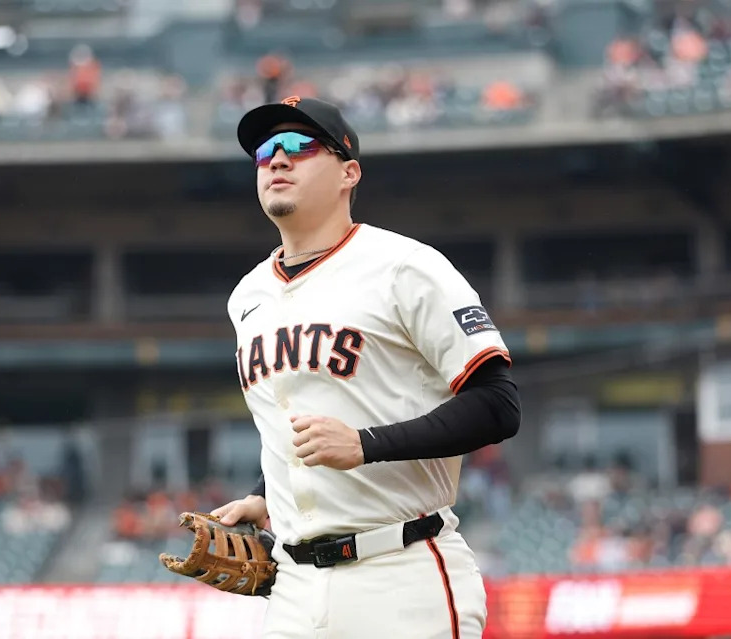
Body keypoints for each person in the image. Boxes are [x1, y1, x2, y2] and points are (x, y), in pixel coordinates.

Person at [211, 95, 521, 638]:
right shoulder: (247, 295)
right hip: (293, 587)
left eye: (298, 146)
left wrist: (366, 443)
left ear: (348, 173)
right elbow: (295, 415)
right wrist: (265, 493)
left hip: (400, 571)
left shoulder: (405, 267)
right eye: (264, 152)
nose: (277, 160)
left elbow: (498, 406)